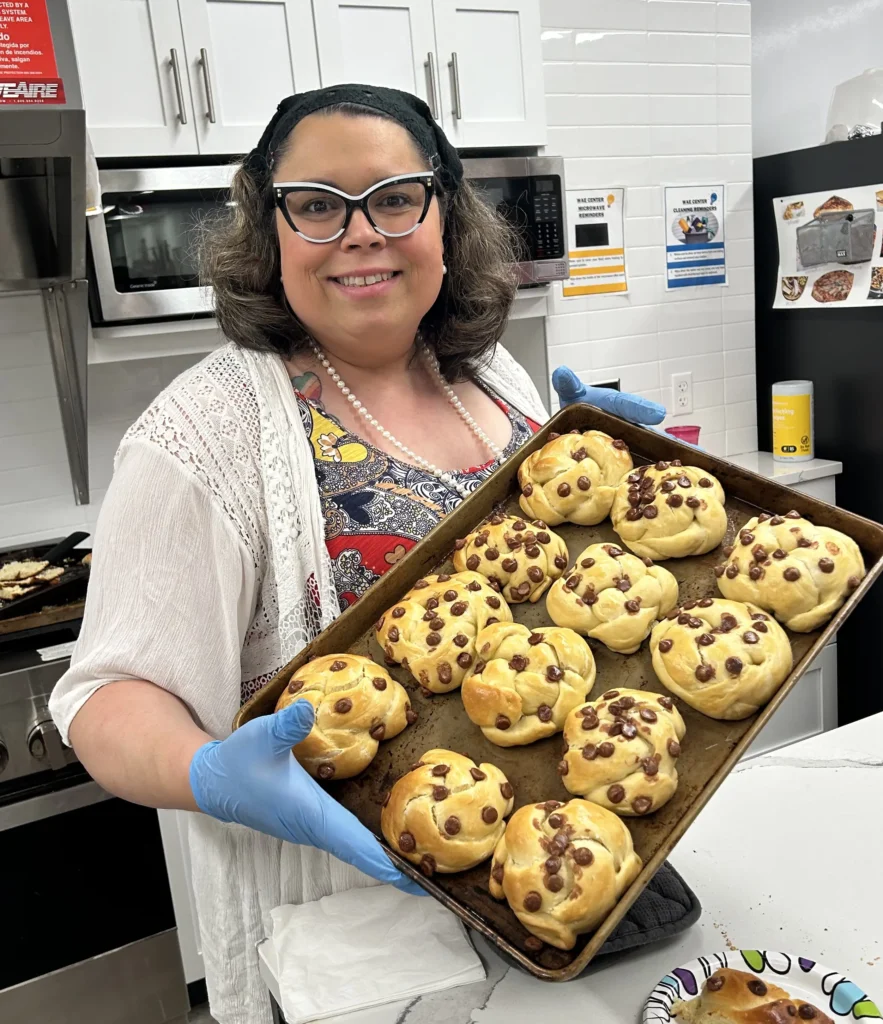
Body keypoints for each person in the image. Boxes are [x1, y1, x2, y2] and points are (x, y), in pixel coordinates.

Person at [49, 85, 665, 1024]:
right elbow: (102, 699)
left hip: (553, 884)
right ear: (272, 232)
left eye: (392, 197)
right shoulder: (198, 436)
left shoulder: (489, 373)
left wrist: (607, 485)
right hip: (356, 930)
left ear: (443, 218)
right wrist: (209, 776)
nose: (359, 233)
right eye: (315, 205)